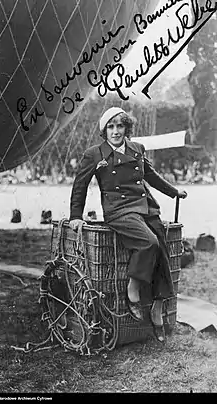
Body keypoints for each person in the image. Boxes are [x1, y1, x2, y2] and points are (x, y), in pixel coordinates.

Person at [69, 107, 187, 342]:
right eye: (110, 127)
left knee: (161, 245)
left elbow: (150, 176)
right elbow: (80, 185)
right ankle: (132, 291)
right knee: (149, 243)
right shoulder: (95, 154)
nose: (115, 131)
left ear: (126, 128)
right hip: (118, 210)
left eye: (120, 126)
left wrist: (174, 192)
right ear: (104, 130)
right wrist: (75, 215)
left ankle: (157, 307)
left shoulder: (137, 149)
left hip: (144, 205)